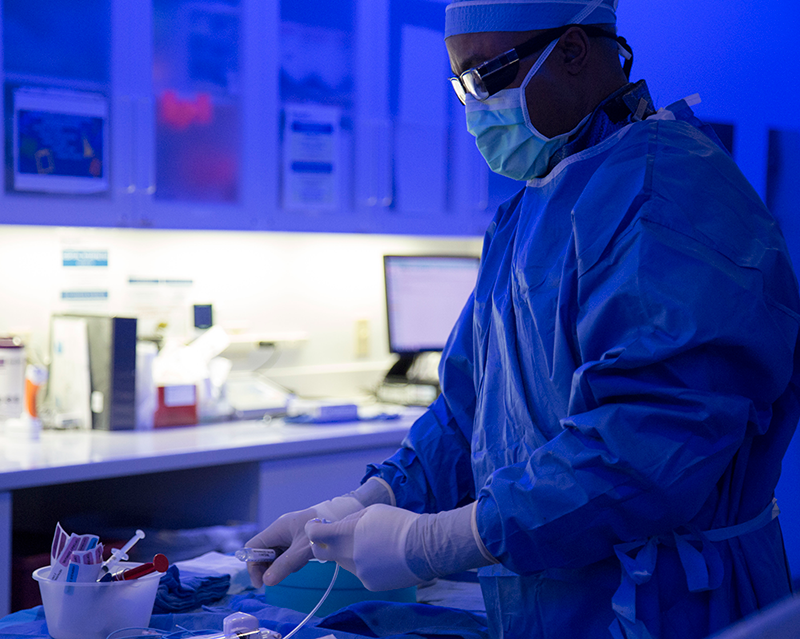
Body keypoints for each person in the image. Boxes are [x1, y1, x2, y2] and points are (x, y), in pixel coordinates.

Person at [247, 1, 800, 637]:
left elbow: (644, 448)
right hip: (553, 605)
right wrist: (358, 505)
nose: (476, 107)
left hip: (667, 603)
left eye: (486, 77)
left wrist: (435, 542)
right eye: (461, 85)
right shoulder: (529, 212)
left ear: (571, 51)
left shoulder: (667, 196)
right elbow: (466, 415)